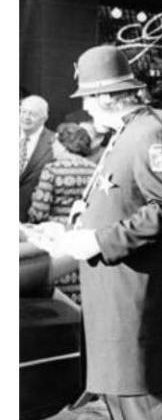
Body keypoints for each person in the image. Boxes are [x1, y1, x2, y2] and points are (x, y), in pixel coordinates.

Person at [50, 44, 162, 420]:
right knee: (123, 408)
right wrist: (84, 216)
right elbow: (122, 196)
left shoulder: (149, 134)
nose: (86, 108)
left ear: (109, 96)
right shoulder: (126, 133)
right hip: (115, 298)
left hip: (132, 298)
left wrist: (98, 239)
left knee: (143, 411)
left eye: (89, 98)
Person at [27, 123, 96, 303]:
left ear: (63, 145)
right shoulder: (94, 169)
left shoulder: (53, 170)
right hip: (83, 234)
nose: (53, 148)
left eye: (55, 144)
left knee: (60, 296)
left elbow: (39, 212)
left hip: (56, 237)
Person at [20, 95, 55, 222]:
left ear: (44, 118)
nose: (26, 117)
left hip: (32, 220)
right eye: (23, 111)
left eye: (32, 114)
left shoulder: (55, 143)